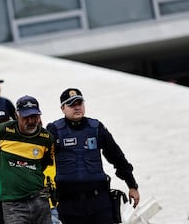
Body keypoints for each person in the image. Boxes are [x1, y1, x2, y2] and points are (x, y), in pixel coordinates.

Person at [46, 88, 140, 224]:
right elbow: (40, 162)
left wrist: (132, 185)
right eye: (72, 105)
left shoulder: (96, 128)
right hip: (69, 204)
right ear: (63, 108)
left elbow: (117, 157)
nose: (77, 107)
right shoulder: (54, 130)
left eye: (79, 103)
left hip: (99, 202)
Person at [0, 95, 54, 224]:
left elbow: (46, 162)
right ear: (17, 115)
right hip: (12, 203)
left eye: (35, 116)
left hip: (39, 199)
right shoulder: (2, 130)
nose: (31, 121)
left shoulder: (46, 138)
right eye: (26, 117)